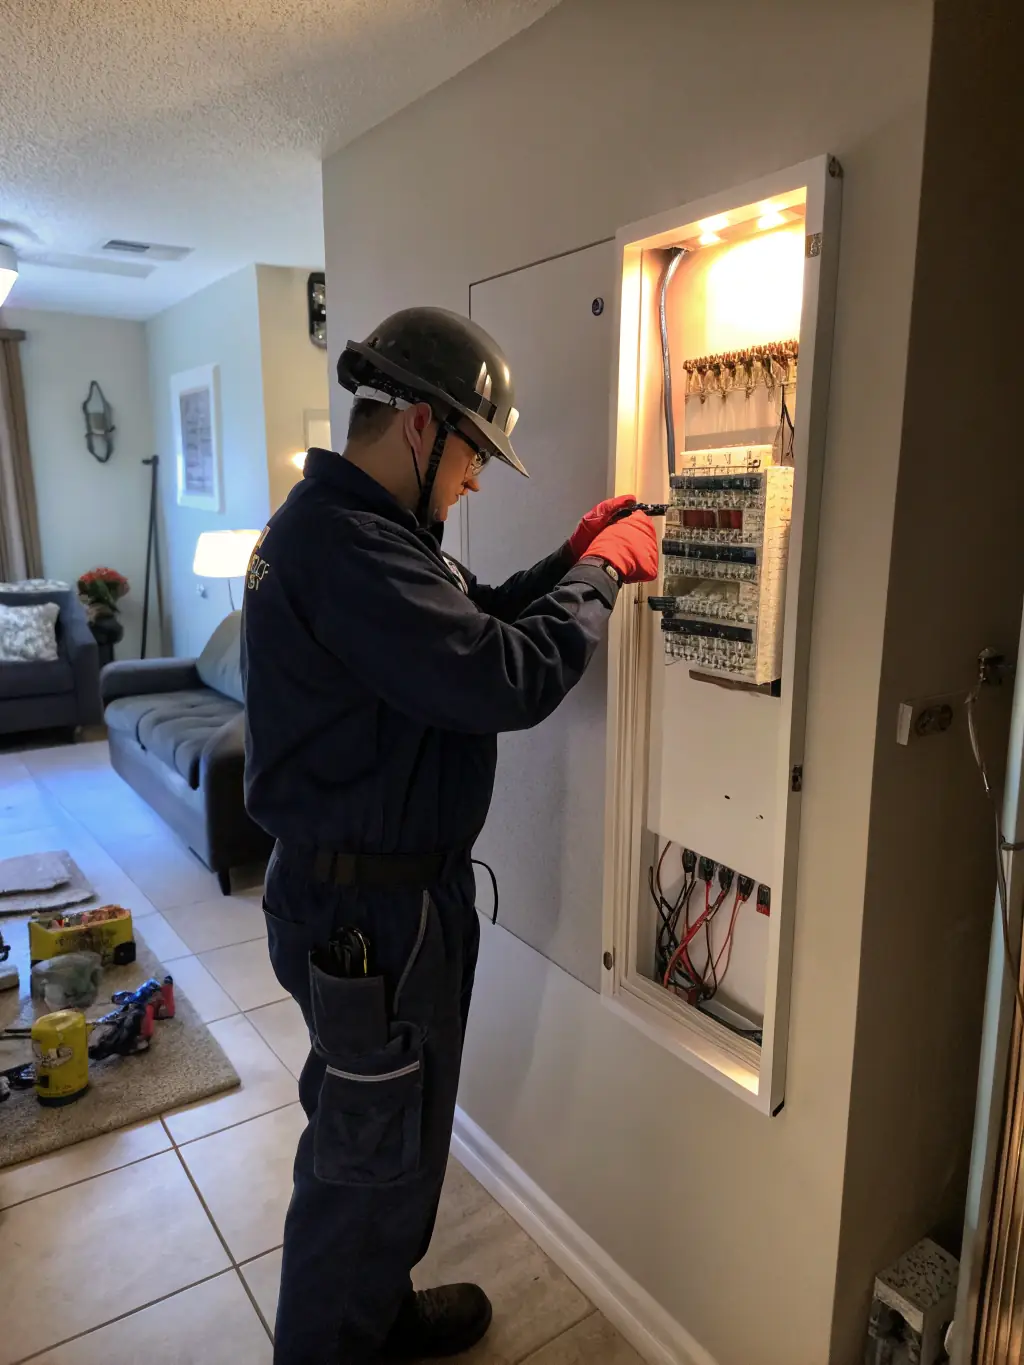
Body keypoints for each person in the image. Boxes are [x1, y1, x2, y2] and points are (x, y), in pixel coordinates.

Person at [242, 306, 658, 1365]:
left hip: (388, 903)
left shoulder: (371, 535)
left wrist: (570, 555)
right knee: (362, 1163)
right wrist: (603, 577)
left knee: (400, 1139)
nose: (475, 483)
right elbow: (500, 676)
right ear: (424, 429)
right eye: (474, 456)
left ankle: (376, 1319)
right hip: (367, 917)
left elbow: (472, 628)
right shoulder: (342, 546)